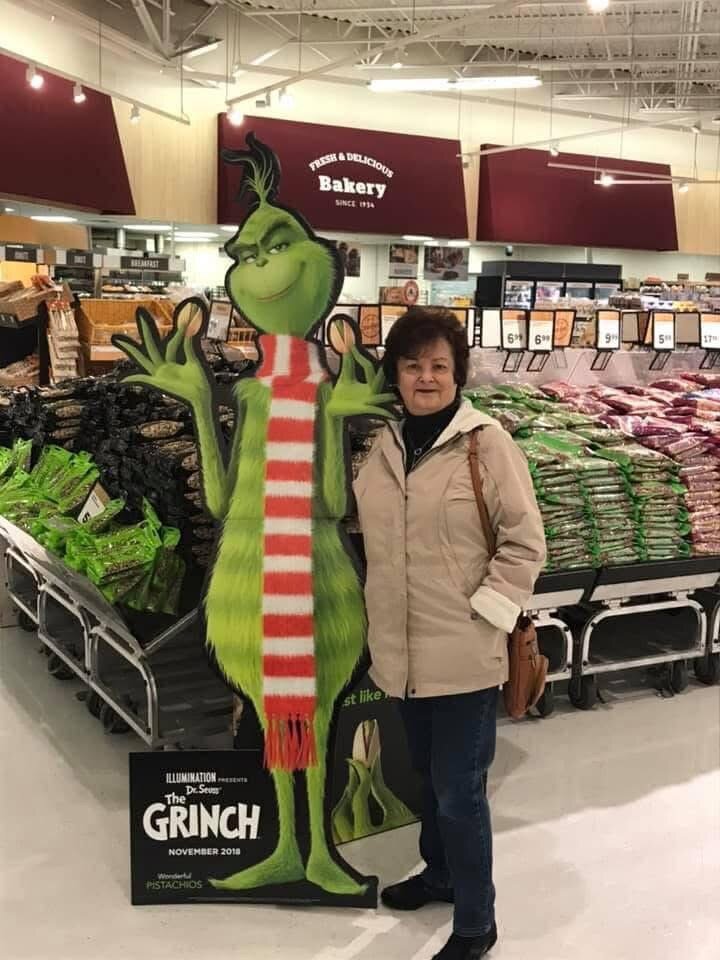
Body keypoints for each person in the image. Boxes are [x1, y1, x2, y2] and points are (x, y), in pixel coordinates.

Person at [353, 306, 546, 960]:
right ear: (396, 374)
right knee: (425, 779)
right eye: (413, 365)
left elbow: (525, 541)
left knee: (460, 793)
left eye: (439, 365)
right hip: (400, 652)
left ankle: (475, 922)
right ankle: (438, 874)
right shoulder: (384, 444)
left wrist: (487, 613)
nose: (426, 378)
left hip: (464, 651)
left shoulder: (485, 443)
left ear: (459, 372)